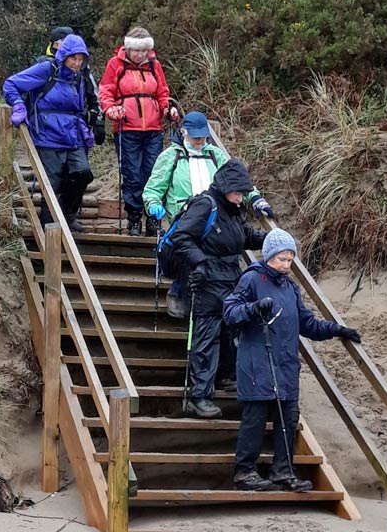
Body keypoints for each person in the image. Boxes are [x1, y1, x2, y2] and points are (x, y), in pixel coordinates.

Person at [223, 228, 361, 492]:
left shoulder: (290, 287)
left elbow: (306, 323)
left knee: (287, 419)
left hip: (285, 364)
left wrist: (336, 329)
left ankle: (283, 471)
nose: (286, 265)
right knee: (255, 419)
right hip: (256, 363)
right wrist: (253, 308)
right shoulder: (251, 279)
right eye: (281, 259)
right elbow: (230, 312)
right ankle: (245, 472)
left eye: (289, 260)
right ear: (269, 256)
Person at [142, 110, 275, 317]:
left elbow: (235, 180)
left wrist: (255, 198)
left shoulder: (215, 154)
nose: (200, 141)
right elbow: (153, 187)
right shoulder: (171, 156)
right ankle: (180, 292)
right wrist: (153, 204)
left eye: (203, 136)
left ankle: (218, 307)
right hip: (185, 216)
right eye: (196, 137)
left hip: (215, 215)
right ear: (184, 132)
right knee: (189, 251)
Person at [172, 159, 268, 418]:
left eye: (243, 194)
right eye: (238, 192)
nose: (241, 198)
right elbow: (181, 237)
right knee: (207, 337)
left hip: (230, 279)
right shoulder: (205, 205)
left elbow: (244, 236)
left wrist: (269, 238)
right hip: (206, 282)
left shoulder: (232, 207)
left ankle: (224, 377)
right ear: (226, 187)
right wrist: (199, 263)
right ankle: (200, 395)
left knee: (231, 331)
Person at [3, 34, 95, 231]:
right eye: (73, 59)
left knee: (82, 172)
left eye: (81, 59)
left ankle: (68, 216)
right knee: (52, 182)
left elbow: (78, 108)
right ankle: (50, 227)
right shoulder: (47, 69)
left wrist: (85, 129)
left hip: (72, 134)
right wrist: (19, 105)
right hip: (46, 134)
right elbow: (11, 84)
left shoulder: (78, 77)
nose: (77, 64)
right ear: (64, 56)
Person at [99, 26, 179, 236]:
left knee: (154, 174)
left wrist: (167, 109)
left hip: (153, 128)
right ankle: (134, 219)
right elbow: (106, 90)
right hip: (126, 128)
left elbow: (162, 91)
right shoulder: (115, 64)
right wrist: (111, 109)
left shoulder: (154, 65)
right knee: (132, 174)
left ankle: (153, 219)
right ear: (128, 48)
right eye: (137, 50)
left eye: (144, 50)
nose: (140, 54)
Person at [38, 26, 105, 146]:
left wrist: (98, 120)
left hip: (77, 126)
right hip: (48, 130)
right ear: (56, 44)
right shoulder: (44, 65)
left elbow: (93, 93)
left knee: (80, 164)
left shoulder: (81, 66)